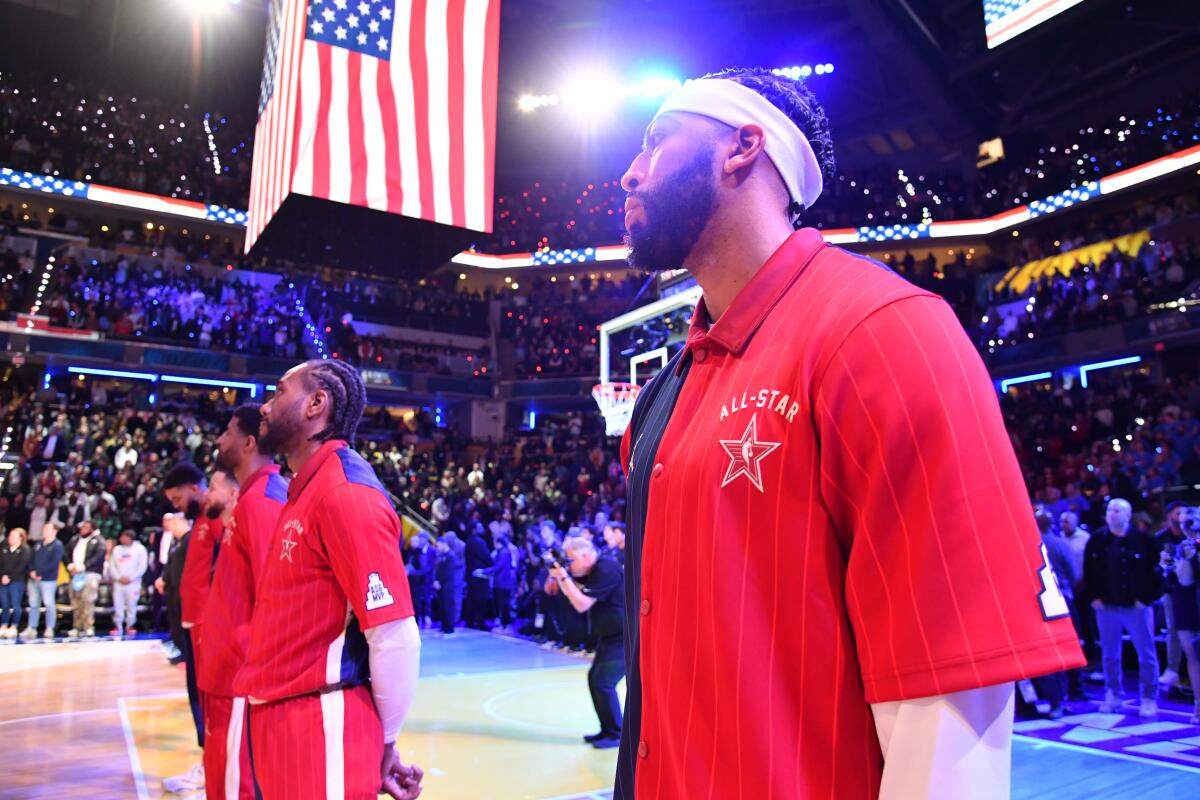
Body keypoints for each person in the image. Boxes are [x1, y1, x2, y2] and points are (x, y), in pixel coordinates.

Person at [614, 67, 1084, 798]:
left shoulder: (885, 331)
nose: (629, 173)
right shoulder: (665, 390)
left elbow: (948, 704)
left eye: (655, 142)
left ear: (742, 147)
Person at [235, 359, 423, 799]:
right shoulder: (305, 488)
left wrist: (386, 739)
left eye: (278, 392)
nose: (264, 407)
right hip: (283, 721)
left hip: (322, 725)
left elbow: (395, 634)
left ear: (316, 403)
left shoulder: (346, 492)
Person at [196, 404, 288, 800]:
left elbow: (278, 596)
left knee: (236, 788)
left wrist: (250, 669)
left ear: (249, 443)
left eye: (228, 431)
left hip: (239, 678)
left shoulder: (265, 501)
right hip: (223, 674)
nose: (220, 439)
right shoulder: (250, 499)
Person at [160, 461, 219, 794]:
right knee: (200, 697)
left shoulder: (214, 517)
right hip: (193, 625)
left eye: (177, 498)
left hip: (208, 625)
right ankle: (209, 761)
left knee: (209, 701)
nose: (176, 506)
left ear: (194, 488)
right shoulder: (201, 520)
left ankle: (214, 766)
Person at [1082, 498, 1164, 717]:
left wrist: (1145, 599)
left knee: (1146, 654)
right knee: (1110, 654)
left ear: (1128, 515)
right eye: (1109, 510)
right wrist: (1093, 597)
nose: (1112, 513)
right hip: (1106, 606)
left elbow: (1156, 572)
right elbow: (1088, 571)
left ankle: (1148, 697)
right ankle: (1113, 694)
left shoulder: (1143, 541)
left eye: (1117, 510)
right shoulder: (1097, 540)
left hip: (1136, 607)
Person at [546, 537, 625, 749]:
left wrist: (563, 578)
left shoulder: (606, 568)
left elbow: (581, 604)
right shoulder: (596, 570)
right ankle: (608, 730)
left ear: (586, 556)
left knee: (603, 681)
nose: (569, 565)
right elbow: (576, 592)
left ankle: (617, 734)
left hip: (625, 636)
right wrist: (562, 577)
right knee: (596, 679)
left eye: (571, 560)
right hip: (612, 636)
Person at [1165, 508, 1200, 722]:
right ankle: (1198, 705)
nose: (1191, 527)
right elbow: (1185, 580)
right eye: (1186, 522)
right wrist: (1187, 558)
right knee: (1194, 656)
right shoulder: (1178, 548)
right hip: (1186, 606)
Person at [1155, 501, 1188, 689]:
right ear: (1169, 516)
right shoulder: (1160, 538)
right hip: (1171, 590)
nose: (1180, 516)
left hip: (1192, 590)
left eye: (1183, 513)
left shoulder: (1192, 536)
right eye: (1177, 513)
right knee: (1173, 629)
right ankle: (1172, 669)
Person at [64, 519, 105, 638]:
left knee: (87, 600)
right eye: (82, 527)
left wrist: (84, 566)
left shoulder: (98, 541)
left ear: (92, 529)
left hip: (90, 573)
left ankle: (88, 627)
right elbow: (65, 553)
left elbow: (98, 556)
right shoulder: (75, 539)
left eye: (86, 527)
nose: (82, 529)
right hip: (75, 574)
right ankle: (77, 626)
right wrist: (70, 565)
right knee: (75, 600)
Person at [24, 521, 63, 638]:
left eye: (47, 529)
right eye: (44, 528)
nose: (44, 531)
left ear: (54, 531)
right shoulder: (38, 544)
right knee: (33, 603)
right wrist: (31, 571)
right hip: (33, 579)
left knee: (48, 603)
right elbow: (30, 559)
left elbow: (54, 563)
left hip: (48, 580)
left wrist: (40, 573)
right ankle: (32, 627)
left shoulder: (57, 545)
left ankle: (50, 628)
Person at [107, 528, 148, 637]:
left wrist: (132, 578)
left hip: (133, 583)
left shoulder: (140, 549)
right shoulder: (116, 550)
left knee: (131, 605)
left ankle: (130, 626)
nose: (121, 539)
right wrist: (118, 577)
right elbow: (112, 566)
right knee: (118, 605)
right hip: (118, 583)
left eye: (124, 537)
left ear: (130, 538)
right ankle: (118, 626)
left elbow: (142, 566)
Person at [476, 532, 519, 629]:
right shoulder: (500, 552)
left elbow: (498, 566)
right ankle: (502, 624)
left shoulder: (504, 552)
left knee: (504, 604)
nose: (493, 544)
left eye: (495, 542)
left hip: (504, 582)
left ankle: (506, 625)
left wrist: (483, 571)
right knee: (500, 604)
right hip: (499, 582)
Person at [0, 527, 31, 638]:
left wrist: (10, 577)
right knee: (4, 605)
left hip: (17, 581)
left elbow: (21, 567)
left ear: (20, 538)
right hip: (3, 581)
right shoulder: (4, 549)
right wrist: (2, 576)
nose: (10, 538)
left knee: (15, 604)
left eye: (13, 536)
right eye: (10, 535)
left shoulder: (25, 550)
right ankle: (3, 626)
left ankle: (14, 626)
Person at [435, 531, 466, 634]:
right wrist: (436, 581)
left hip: (448, 585)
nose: (438, 548)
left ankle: (449, 627)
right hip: (441, 585)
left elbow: (448, 572)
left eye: (439, 546)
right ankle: (444, 626)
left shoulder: (451, 556)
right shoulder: (442, 555)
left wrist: (440, 582)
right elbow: (439, 570)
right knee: (442, 606)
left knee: (448, 606)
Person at [464, 523, 492, 630]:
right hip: (480, 575)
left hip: (470, 574)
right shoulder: (479, 542)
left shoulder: (468, 541)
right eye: (480, 527)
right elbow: (486, 557)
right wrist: (493, 564)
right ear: (474, 529)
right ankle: (481, 623)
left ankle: (470, 622)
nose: (483, 529)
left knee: (471, 599)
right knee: (481, 600)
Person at [406, 533, 436, 628]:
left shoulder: (432, 550)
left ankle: (427, 616)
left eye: (421, 539)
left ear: (426, 539)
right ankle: (419, 617)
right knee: (418, 599)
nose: (419, 541)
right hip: (418, 579)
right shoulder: (416, 551)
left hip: (427, 578)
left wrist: (417, 572)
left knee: (427, 598)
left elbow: (431, 566)